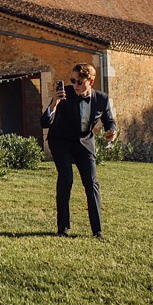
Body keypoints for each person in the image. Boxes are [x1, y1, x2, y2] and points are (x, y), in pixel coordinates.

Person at [41, 63, 117, 239]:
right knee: (66, 179)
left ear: (91, 81)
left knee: (91, 183)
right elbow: (45, 123)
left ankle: (97, 231)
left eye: (79, 82)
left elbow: (109, 121)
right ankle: (62, 229)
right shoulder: (65, 94)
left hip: (84, 143)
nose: (75, 85)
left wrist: (111, 131)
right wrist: (54, 103)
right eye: (72, 81)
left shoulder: (102, 99)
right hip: (61, 141)